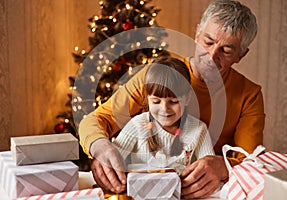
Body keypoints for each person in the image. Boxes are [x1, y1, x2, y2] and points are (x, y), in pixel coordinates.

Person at [78, 0, 265, 198]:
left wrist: (223, 166)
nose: (211, 55)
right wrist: (101, 148)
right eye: (208, 42)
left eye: (226, 50)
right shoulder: (159, 76)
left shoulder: (249, 95)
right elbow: (97, 120)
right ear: (197, 34)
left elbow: (251, 161)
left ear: (241, 55)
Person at [113, 57, 214, 176]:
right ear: (147, 98)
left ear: (187, 98)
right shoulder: (137, 125)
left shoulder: (198, 129)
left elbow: (209, 168)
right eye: (156, 102)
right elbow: (112, 162)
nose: (165, 109)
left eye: (173, 102)